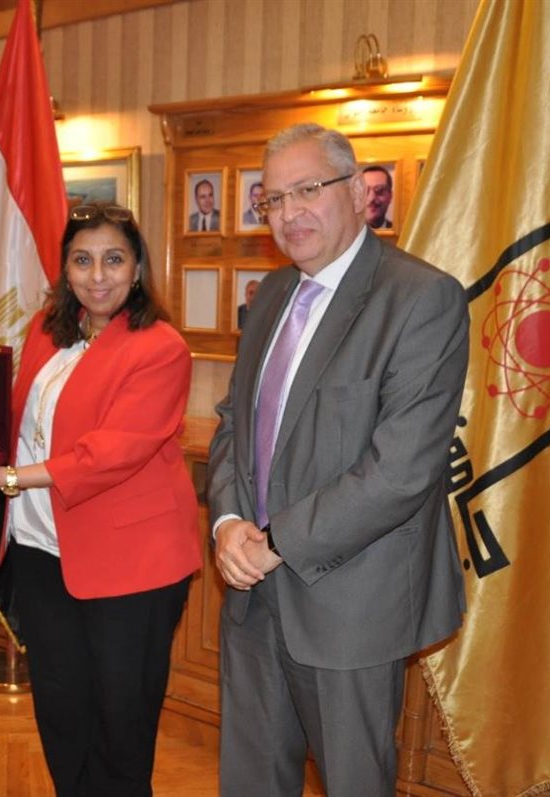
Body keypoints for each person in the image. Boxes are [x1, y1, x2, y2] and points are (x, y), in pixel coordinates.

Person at [208, 123, 469, 796]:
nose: (289, 213)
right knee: (250, 782)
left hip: (351, 607)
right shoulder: (270, 294)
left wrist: (276, 542)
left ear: (357, 192)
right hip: (252, 594)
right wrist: (228, 522)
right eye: (273, 199)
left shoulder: (421, 298)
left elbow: (400, 472)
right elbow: (236, 421)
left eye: (307, 190)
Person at [0, 203, 201, 797]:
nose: (97, 275)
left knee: (120, 723)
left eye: (114, 259)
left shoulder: (160, 348)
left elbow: (107, 455)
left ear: (138, 269)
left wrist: (4, 480)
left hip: (131, 566)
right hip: (41, 550)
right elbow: (14, 415)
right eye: (82, 260)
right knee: (60, 711)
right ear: (65, 268)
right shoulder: (46, 328)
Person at [362, 164, 394, 229]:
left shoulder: (402, 232)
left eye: (380, 190)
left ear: (390, 196)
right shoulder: (345, 232)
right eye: (365, 191)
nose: (371, 198)